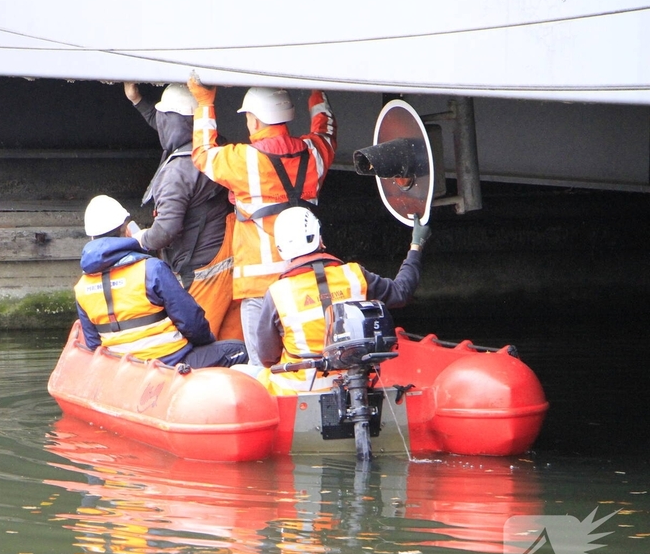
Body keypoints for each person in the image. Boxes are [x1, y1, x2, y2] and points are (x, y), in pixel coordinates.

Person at [187, 73, 337, 366]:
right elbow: (327, 131)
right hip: (307, 280)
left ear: (254, 121)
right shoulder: (315, 154)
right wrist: (317, 91)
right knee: (311, 357)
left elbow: (203, 153)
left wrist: (205, 103)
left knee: (263, 367)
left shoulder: (243, 160)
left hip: (259, 288)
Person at [254, 206, 431, 394]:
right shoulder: (354, 275)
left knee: (248, 372)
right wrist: (416, 246)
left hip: (297, 397)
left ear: (281, 248)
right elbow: (401, 292)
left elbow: (267, 357)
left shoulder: (277, 293)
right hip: (354, 390)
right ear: (319, 237)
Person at [123, 82, 242, 340]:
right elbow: (174, 128)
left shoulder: (176, 174)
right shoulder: (216, 150)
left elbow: (166, 230)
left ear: (170, 120)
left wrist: (141, 238)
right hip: (228, 264)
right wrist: (137, 101)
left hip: (200, 273)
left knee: (200, 342)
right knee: (234, 343)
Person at [74, 195, 248, 369]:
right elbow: (191, 321)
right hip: (172, 362)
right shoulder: (151, 269)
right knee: (241, 350)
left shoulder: (82, 287)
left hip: (124, 369)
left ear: (91, 239)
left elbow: (93, 344)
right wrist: (207, 344)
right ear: (127, 230)